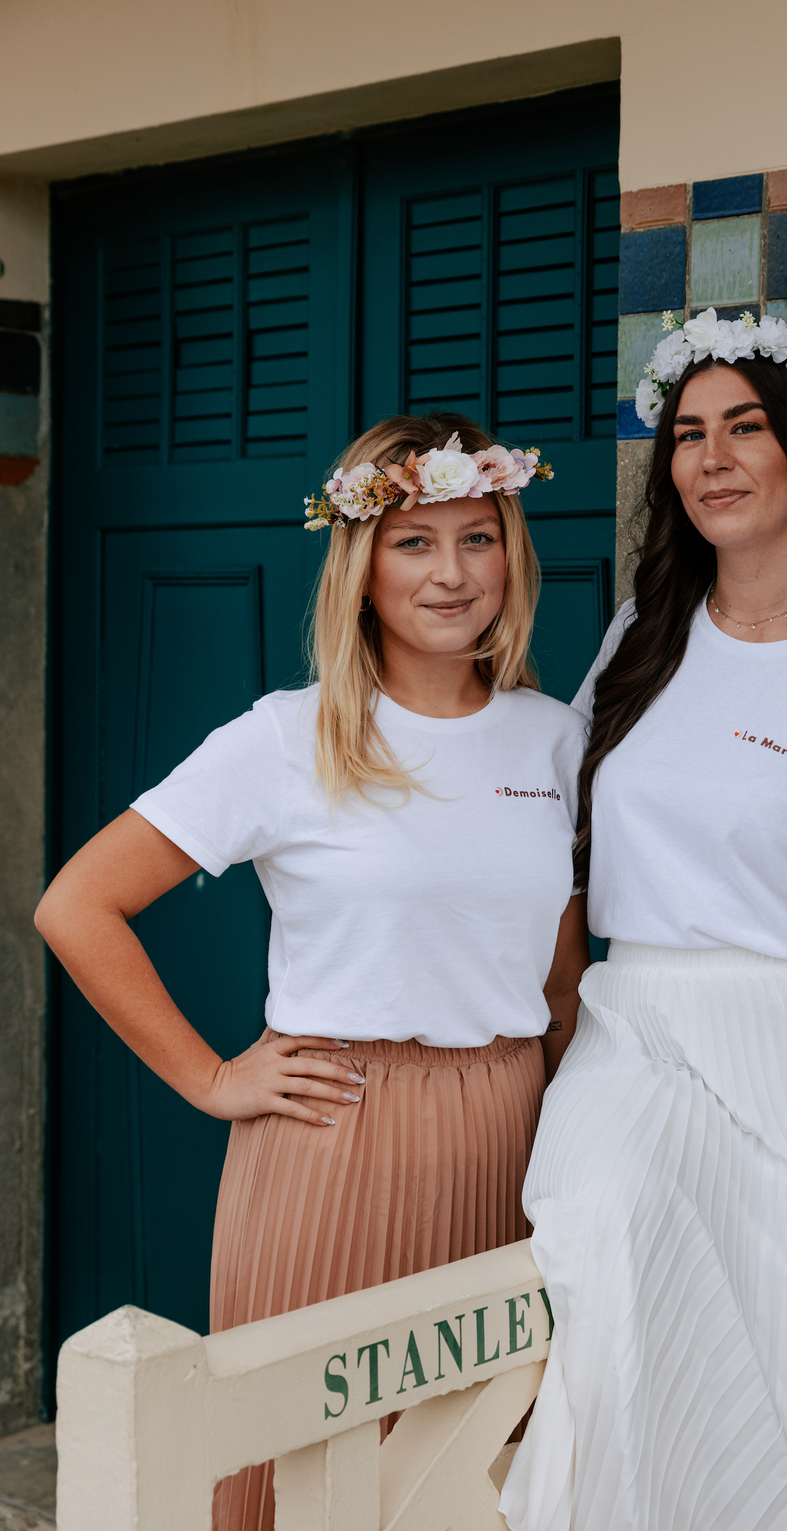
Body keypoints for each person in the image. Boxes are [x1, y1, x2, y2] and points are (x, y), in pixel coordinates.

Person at [35, 413, 591, 1531]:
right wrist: (208, 1078)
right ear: (360, 563)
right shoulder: (288, 738)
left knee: (469, 1468)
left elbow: (562, 975)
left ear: (511, 555)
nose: (451, 573)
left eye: (477, 539)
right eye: (413, 543)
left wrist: (571, 1136)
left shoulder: (553, 738)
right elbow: (77, 905)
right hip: (335, 1132)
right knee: (293, 1460)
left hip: (509, 1130)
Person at [500, 310, 787, 1531]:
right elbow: (550, 846)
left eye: (744, 428)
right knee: (602, 1310)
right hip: (633, 1031)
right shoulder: (639, 638)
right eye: (688, 433)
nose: (710, 457)